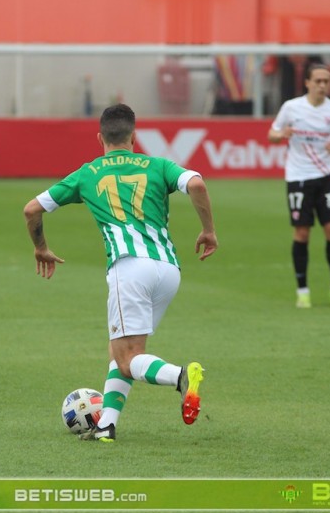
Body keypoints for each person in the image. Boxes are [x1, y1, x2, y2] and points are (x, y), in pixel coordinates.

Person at [23, 104, 219, 442]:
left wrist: (41, 247)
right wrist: (208, 230)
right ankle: (106, 426)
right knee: (125, 352)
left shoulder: (88, 173)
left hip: (129, 268)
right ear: (134, 136)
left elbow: (32, 209)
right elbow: (198, 184)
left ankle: (182, 376)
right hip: (168, 269)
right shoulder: (158, 165)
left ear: (99, 137)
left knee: (128, 357)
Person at [268, 63, 330, 309]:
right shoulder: (291, 107)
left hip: (325, 176)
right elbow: (272, 134)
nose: (322, 85)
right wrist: (282, 134)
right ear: (307, 83)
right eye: (317, 81)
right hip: (298, 177)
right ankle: (303, 292)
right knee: (302, 233)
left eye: (326, 81)